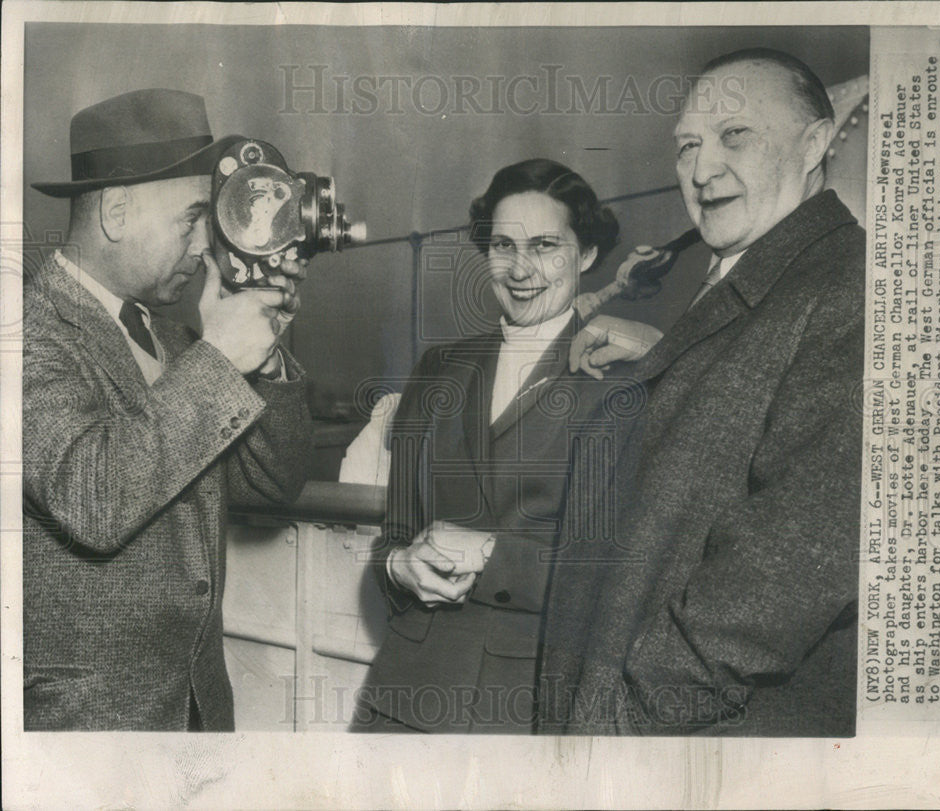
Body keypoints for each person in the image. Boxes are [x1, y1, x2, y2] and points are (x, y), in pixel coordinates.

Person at [537, 48, 865, 736]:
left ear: (814, 144)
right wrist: (665, 356)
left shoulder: (853, 287)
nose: (702, 168)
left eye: (734, 135)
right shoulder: (762, 279)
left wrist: (626, 720)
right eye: (688, 143)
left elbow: (786, 570)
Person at [22, 89, 312, 731]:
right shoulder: (28, 332)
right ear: (117, 212)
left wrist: (261, 358)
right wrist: (218, 360)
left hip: (198, 713)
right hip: (86, 727)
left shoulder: (176, 342)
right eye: (193, 218)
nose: (208, 246)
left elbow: (272, 486)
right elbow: (91, 498)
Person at [354, 159, 621, 733]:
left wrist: (488, 553)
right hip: (406, 701)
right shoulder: (437, 369)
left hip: (531, 709)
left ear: (587, 255)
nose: (521, 269)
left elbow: (618, 572)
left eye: (546, 245)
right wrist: (399, 566)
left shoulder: (624, 379)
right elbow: (394, 535)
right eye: (503, 246)